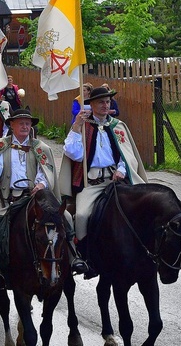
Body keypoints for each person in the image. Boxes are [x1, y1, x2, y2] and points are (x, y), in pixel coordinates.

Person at [0, 108, 89, 296]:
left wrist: (40, 184)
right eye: (21, 122)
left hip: (34, 198)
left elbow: (46, 171)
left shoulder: (40, 147)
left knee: (66, 217)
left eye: (28, 123)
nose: (25, 126)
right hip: (7, 199)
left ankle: (73, 257)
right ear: (11, 125)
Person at [60, 86, 147, 277]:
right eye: (101, 102)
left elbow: (127, 156)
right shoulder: (83, 126)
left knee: (142, 208)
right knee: (82, 216)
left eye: (108, 102)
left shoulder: (117, 125)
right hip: (92, 183)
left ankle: (144, 250)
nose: (105, 105)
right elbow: (73, 154)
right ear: (91, 104)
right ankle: (84, 257)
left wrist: (122, 170)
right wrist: (76, 127)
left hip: (116, 181)